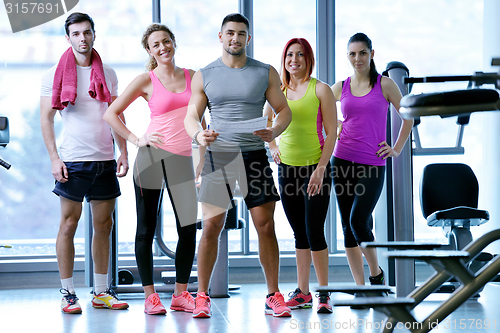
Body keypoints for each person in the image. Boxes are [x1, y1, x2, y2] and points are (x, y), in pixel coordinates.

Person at [184, 13, 293, 318]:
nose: (235, 38)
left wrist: (275, 131)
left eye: (241, 33)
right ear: (221, 37)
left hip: (254, 156)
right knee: (211, 226)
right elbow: (191, 116)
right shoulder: (205, 74)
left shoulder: (265, 72)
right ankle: (202, 296)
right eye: (230, 33)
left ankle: (273, 294)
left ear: (248, 38)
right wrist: (198, 133)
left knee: (265, 225)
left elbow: (283, 111)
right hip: (219, 156)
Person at [104, 24, 201, 315]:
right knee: (145, 230)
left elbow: (201, 120)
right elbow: (111, 113)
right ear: (149, 50)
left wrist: (203, 158)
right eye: (156, 45)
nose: (162, 48)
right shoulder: (145, 80)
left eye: (166, 42)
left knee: (187, 229)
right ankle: (150, 297)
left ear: (174, 43)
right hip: (151, 159)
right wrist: (136, 139)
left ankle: (181, 295)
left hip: (183, 160)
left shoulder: (193, 77)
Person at [40, 12, 129, 314]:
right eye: (76, 34)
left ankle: (101, 291)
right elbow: (46, 119)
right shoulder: (54, 74)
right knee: (69, 224)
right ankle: (68, 293)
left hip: (104, 159)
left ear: (94, 35)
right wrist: (54, 158)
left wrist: (124, 152)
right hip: (73, 160)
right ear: (68, 38)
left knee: (104, 225)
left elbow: (116, 115)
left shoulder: (110, 73)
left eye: (87, 33)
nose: (82, 38)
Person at [330, 32, 413, 301]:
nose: (358, 58)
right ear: (348, 56)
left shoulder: (385, 84)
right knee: (347, 226)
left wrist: (397, 148)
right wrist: (335, 125)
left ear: (371, 54)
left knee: (358, 221)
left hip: (372, 163)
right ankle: (361, 288)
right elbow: (317, 109)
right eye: (353, 54)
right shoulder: (340, 86)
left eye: (362, 53)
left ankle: (376, 277)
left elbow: (408, 117)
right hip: (341, 159)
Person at [263, 38, 337, 314]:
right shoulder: (278, 90)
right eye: (289, 55)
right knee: (299, 233)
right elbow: (266, 123)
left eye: (300, 55)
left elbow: (332, 133)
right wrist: (272, 147)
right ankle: (303, 292)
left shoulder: (321, 89)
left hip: (315, 168)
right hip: (287, 170)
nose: (294, 60)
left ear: (308, 59)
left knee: (315, 230)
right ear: (284, 60)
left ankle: (324, 293)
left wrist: (320, 169)